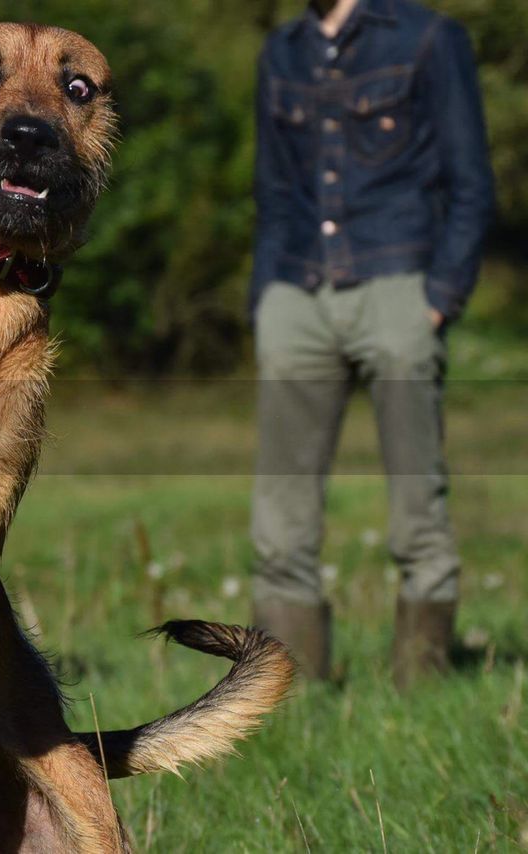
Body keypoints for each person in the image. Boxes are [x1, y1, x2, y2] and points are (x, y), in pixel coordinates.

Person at [249, 0, 495, 688]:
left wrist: (439, 300)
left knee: (419, 507)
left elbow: (472, 184)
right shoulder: (282, 53)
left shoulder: (429, 39)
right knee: (280, 519)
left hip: (400, 287)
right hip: (296, 294)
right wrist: (266, 302)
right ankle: (286, 696)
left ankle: (423, 686)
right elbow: (272, 192)